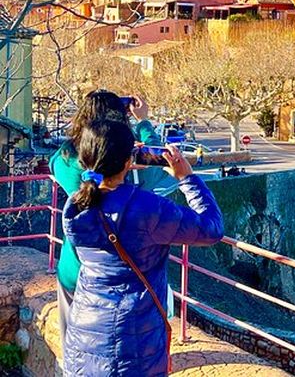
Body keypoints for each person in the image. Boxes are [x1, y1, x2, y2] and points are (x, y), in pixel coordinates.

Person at [62, 119, 223, 376]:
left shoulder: (75, 205)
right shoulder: (146, 208)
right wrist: (187, 178)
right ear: (129, 162)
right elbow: (211, 228)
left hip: (84, 333)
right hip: (134, 339)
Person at [50, 90, 166, 345]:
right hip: (125, 273)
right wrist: (143, 123)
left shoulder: (67, 160)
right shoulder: (134, 165)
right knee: (125, 345)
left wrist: (82, 133)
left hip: (75, 267)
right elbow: (160, 160)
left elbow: (54, 160)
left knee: (74, 344)